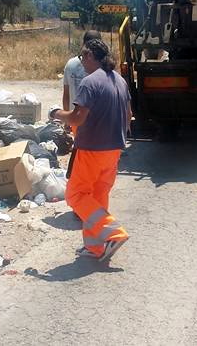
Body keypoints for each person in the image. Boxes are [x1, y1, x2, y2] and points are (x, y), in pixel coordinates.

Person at [51, 39, 131, 262]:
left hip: (92, 149)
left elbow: (77, 117)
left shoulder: (89, 82)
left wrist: (56, 114)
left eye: (82, 56)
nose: (81, 61)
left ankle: (113, 233)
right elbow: (128, 114)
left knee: (76, 195)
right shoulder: (120, 80)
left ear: (90, 56)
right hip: (114, 150)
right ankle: (96, 246)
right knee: (96, 197)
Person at [62, 29, 102, 115]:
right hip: (95, 121)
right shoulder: (103, 68)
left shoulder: (70, 64)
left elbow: (66, 94)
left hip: (75, 119)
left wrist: (66, 117)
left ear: (83, 44)